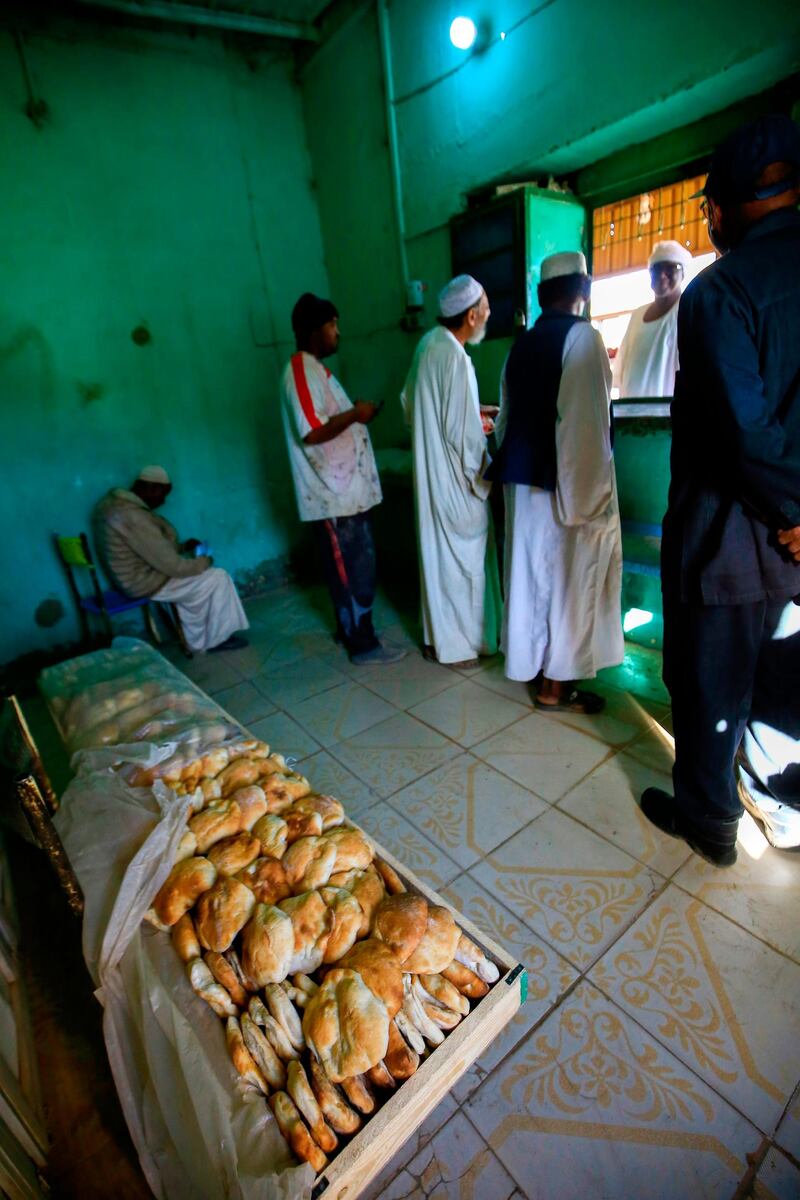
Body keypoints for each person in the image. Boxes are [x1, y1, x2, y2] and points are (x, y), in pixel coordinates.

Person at [641, 113, 800, 867]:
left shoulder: (720, 293)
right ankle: (780, 797)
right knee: (779, 674)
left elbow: (744, 432)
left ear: (721, 206)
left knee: (709, 679)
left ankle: (709, 822)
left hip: (730, 539)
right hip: (792, 542)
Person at [486, 252, 623, 712]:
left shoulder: (518, 347)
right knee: (567, 583)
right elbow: (584, 426)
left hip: (522, 484)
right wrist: (590, 501)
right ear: (583, 289)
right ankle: (554, 687)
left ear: (543, 296)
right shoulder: (583, 338)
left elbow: (504, 423)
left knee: (530, 581)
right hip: (565, 485)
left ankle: (538, 673)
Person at [280, 293, 404, 665]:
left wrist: (355, 414)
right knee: (351, 569)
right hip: (332, 494)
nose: (338, 333)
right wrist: (356, 415)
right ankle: (362, 644)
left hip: (345, 491)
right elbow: (312, 432)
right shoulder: (300, 370)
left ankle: (351, 630)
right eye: (333, 325)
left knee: (354, 567)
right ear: (313, 330)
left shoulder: (317, 370)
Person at [400, 275, 501, 668]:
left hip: (429, 477)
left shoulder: (428, 344)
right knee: (465, 563)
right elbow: (464, 439)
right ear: (472, 315)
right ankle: (460, 648)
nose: (489, 316)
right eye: (487, 310)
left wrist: (470, 417)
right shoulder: (456, 358)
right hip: (456, 485)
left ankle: (436, 641)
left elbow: (411, 405)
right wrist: (486, 479)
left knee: (437, 560)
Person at [94, 466, 249, 652]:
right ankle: (217, 640)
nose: (163, 500)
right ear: (151, 488)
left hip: (132, 578)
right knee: (218, 577)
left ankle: (197, 639)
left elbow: (146, 549)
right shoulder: (133, 516)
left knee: (200, 584)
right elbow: (175, 567)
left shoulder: (114, 506)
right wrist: (205, 561)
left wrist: (182, 547)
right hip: (143, 582)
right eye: (163, 494)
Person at [613, 240, 692, 398]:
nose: (662, 275)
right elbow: (620, 369)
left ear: (683, 273)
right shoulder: (637, 315)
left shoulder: (688, 311)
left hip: (669, 416)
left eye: (670, 268)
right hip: (631, 414)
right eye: (656, 268)